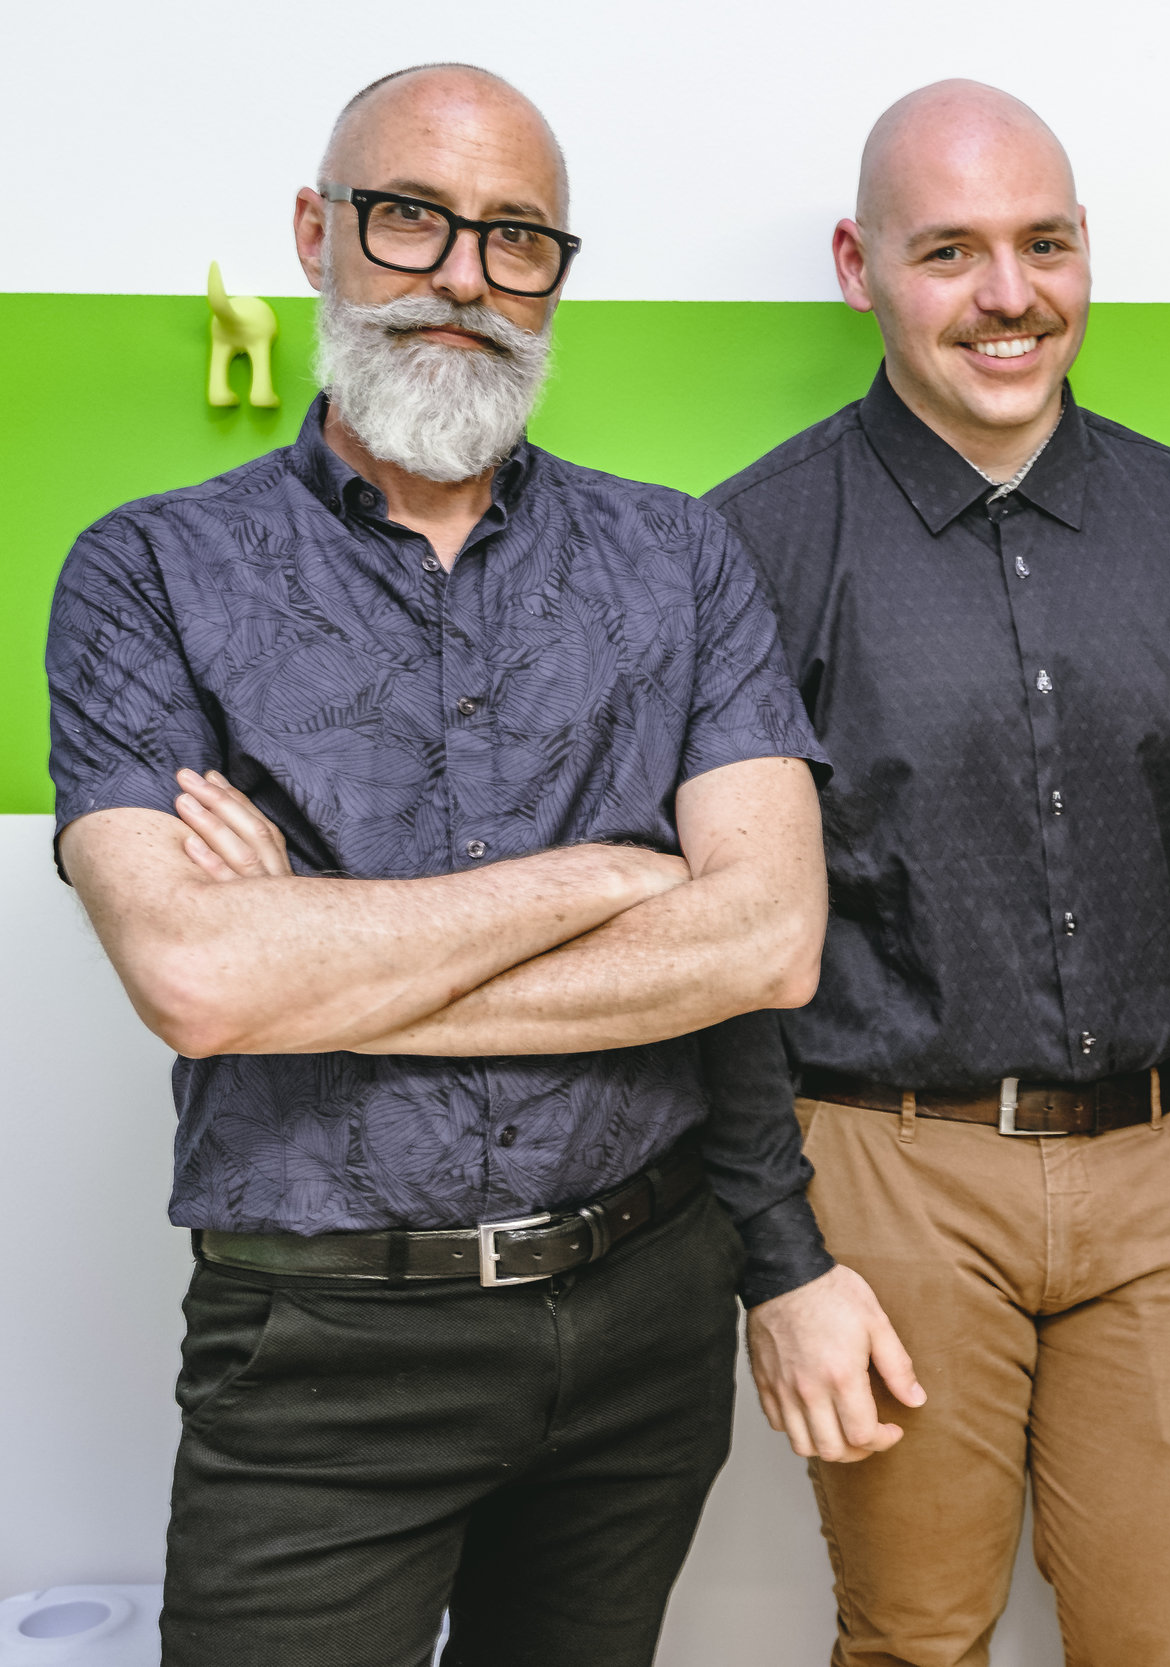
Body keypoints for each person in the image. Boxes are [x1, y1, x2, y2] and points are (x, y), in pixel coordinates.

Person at [45, 63, 849, 1667]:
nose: (465, 277)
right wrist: (608, 876)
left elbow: (766, 939)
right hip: (323, 1354)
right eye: (411, 218)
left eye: (516, 236)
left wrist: (315, 958)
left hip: (641, 1321)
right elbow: (197, 981)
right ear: (316, 231)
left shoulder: (678, 559)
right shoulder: (148, 571)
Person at [699, 80, 1170, 1666]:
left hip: (1166, 1176)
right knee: (915, 1642)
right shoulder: (752, 546)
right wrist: (779, 1257)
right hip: (886, 1170)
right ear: (858, 266)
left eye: (1044, 244)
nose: (1009, 295)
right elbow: (713, 932)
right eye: (951, 252)